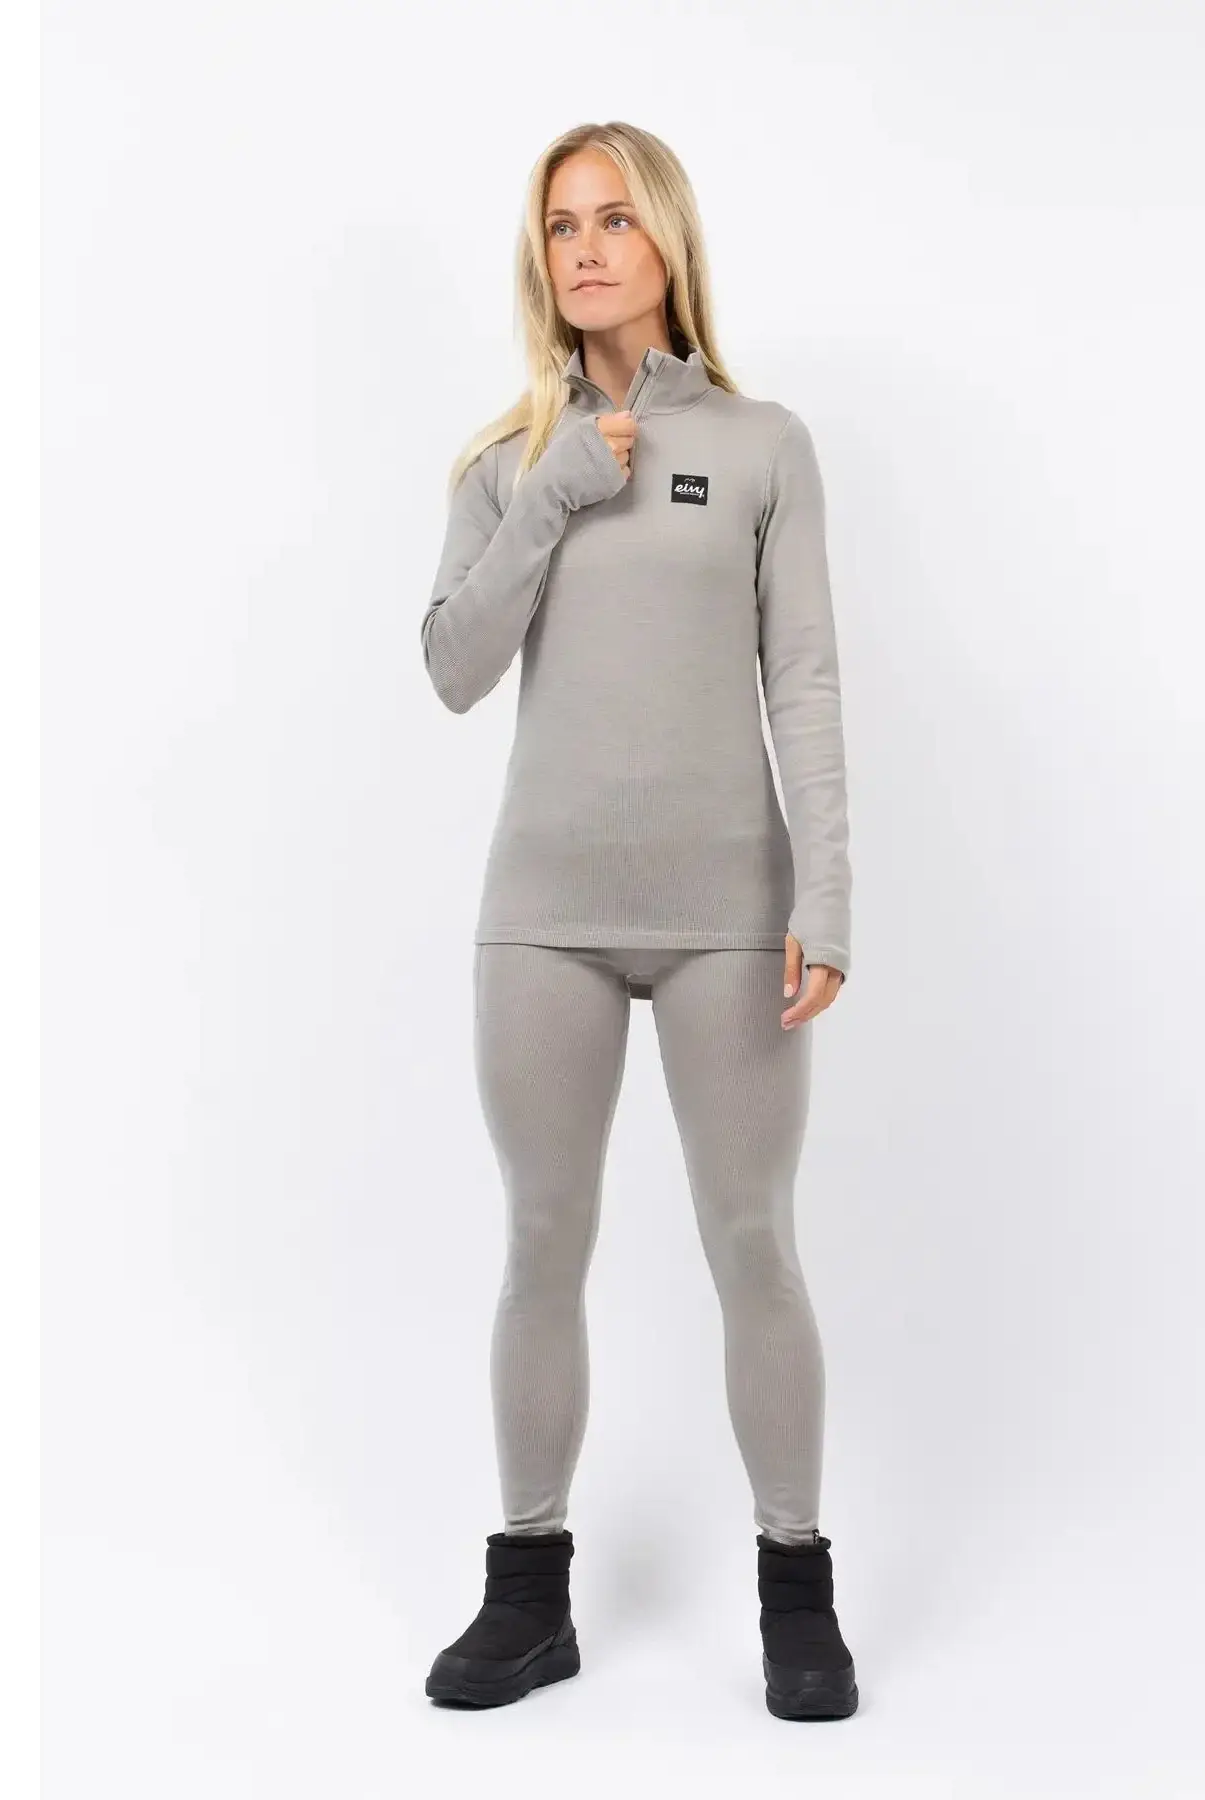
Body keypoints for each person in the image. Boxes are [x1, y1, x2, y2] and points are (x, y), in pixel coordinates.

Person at [419, 121, 859, 1722]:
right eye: (562, 227)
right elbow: (452, 667)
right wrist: (552, 493)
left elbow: (802, 677)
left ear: (666, 239)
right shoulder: (504, 460)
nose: (587, 249)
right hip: (543, 914)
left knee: (754, 1241)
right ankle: (527, 1591)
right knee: (543, 1238)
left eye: (614, 219)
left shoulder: (761, 445)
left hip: (729, 916)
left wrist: (828, 891)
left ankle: (797, 1584)